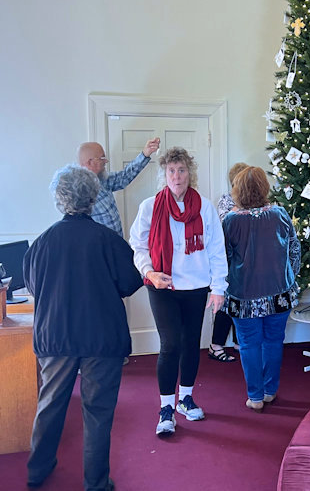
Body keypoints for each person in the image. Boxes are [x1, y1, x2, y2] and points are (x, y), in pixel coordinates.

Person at [23, 165, 143, 491]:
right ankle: (96, 483)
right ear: (92, 197)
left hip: (55, 336)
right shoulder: (108, 240)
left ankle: (37, 470)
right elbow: (130, 282)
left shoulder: (42, 243)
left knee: (50, 404)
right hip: (101, 336)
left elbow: (33, 286)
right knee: (98, 412)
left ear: (60, 199)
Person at [129, 147, 228, 435]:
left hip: (196, 287)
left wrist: (218, 287)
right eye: (171, 171)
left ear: (189, 173)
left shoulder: (205, 207)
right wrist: (149, 272)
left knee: (191, 343)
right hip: (163, 286)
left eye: (181, 170)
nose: (177, 176)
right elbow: (138, 246)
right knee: (170, 344)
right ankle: (166, 408)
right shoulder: (150, 206)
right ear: (164, 174)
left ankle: (185, 398)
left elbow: (216, 250)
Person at [223, 167, 301, 411]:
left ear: (237, 190)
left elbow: (223, 259)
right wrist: (289, 277)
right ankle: (270, 391)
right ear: (264, 187)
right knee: (274, 341)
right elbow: (294, 250)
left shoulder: (230, 221)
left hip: (243, 294)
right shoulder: (280, 214)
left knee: (248, 344)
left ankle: (255, 397)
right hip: (279, 292)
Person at [78, 137, 160, 237]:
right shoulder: (78, 193)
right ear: (89, 162)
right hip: (99, 245)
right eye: (102, 158)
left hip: (115, 242)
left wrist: (145, 154)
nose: (106, 161)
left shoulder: (102, 180)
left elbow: (124, 177)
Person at [208, 162, 249, 363]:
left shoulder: (253, 201)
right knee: (226, 303)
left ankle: (239, 342)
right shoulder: (226, 200)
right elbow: (227, 223)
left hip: (247, 259)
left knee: (243, 302)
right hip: (229, 259)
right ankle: (215, 345)